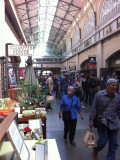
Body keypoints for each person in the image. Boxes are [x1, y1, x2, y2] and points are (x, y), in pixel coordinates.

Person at [89, 78, 120, 160]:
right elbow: (94, 108)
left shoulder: (118, 97)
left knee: (114, 144)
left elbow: (119, 111)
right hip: (102, 122)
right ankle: (96, 149)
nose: (114, 87)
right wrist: (91, 120)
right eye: (112, 85)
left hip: (113, 123)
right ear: (107, 85)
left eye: (116, 85)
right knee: (103, 142)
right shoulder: (99, 95)